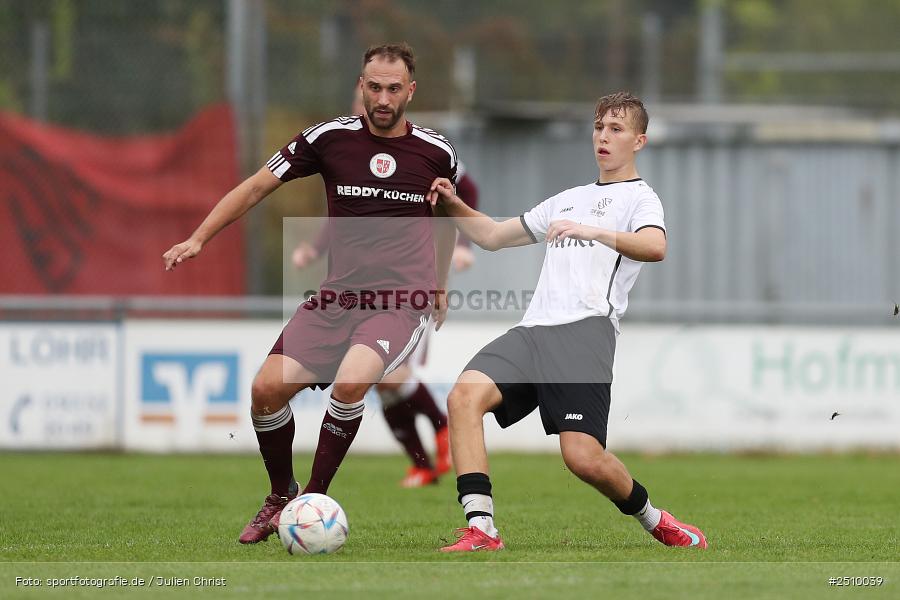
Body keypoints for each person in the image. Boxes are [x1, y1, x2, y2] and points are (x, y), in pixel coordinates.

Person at [162, 43, 459, 544]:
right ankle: (282, 494)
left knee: (350, 383)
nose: (382, 99)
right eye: (373, 87)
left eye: (393, 88)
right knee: (265, 390)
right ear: (361, 85)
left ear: (410, 90)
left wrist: (440, 285)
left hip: (398, 302)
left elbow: (447, 220)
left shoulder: (438, 152)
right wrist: (198, 237)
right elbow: (256, 187)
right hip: (335, 298)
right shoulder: (328, 138)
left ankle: (310, 502)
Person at [426, 92, 708, 552]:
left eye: (616, 129)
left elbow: (655, 247)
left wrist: (594, 231)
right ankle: (482, 529)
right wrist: (452, 204)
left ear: (639, 140)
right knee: (463, 398)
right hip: (534, 330)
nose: (603, 136)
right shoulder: (568, 199)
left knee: (583, 459)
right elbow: (494, 236)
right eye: (599, 127)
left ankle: (654, 518)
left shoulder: (641, 198)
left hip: (585, 333)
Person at [293, 88, 480, 488]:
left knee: (391, 378)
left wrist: (462, 246)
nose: (377, 106)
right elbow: (346, 216)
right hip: (362, 290)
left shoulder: (424, 148)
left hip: (411, 282)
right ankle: (423, 461)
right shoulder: (351, 149)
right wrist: (313, 248)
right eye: (367, 99)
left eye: (387, 94)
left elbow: (464, 191)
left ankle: (441, 429)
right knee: (381, 382)